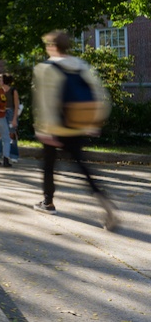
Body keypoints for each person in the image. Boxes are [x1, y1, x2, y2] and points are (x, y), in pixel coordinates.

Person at [32, 30, 117, 229]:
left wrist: (44, 129)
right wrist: (94, 123)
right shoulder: (81, 65)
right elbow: (99, 93)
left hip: (54, 128)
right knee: (82, 166)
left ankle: (48, 202)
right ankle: (103, 200)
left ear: (51, 46)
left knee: (48, 166)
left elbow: (45, 102)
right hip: (78, 124)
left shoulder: (45, 68)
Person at [0, 73, 20, 163]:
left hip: (11, 113)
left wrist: (14, 119)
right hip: (1, 112)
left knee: (12, 134)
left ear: (5, 80)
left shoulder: (13, 91)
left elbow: (16, 106)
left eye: (1, 79)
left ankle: (14, 155)